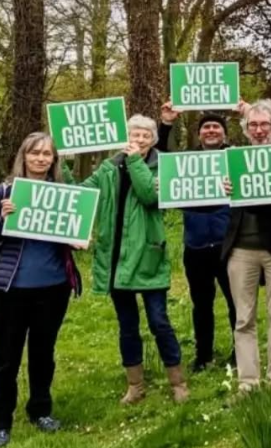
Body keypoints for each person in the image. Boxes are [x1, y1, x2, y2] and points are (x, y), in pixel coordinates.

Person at [0, 132, 82, 448]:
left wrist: (77, 240)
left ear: (54, 160)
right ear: (24, 156)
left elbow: (73, 232)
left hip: (53, 289)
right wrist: (3, 220)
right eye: (35, 153)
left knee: (43, 355)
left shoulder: (63, 195)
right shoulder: (4, 192)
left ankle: (40, 410)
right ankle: (0, 422)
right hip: (10, 290)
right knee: (6, 358)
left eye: (47, 154)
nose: (41, 158)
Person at [70, 115, 188, 404]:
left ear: (153, 140)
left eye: (145, 135)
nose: (138, 139)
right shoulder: (109, 167)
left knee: (159, 321)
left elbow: (150, 195)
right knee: (127, 325)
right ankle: (135, 385)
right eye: (133, 134)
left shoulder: (162, 166)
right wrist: (61, 163)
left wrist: (135, 161)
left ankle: (178, 381)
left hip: (148, 254)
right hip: (116, 259)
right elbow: (82, 193)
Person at [157, 104, 237, 372]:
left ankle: (241, 354)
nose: (211, 130)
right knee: (201, 304)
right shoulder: (187, 160)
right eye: (206, 127)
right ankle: (203, 356)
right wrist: (166, 125)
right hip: (196, 244)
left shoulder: (235, 158)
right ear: (199, 135)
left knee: (237, 302)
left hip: (229, 246)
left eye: (216, 127)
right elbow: (162, 159)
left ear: (224, 135)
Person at [221, 100, 271, 391]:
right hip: (240, 249)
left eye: (265, 124)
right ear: (246, 130)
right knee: (243, 318)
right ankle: (247, 381)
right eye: (253, 125)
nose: (259, 130)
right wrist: (225, 188)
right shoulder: (232, 160)